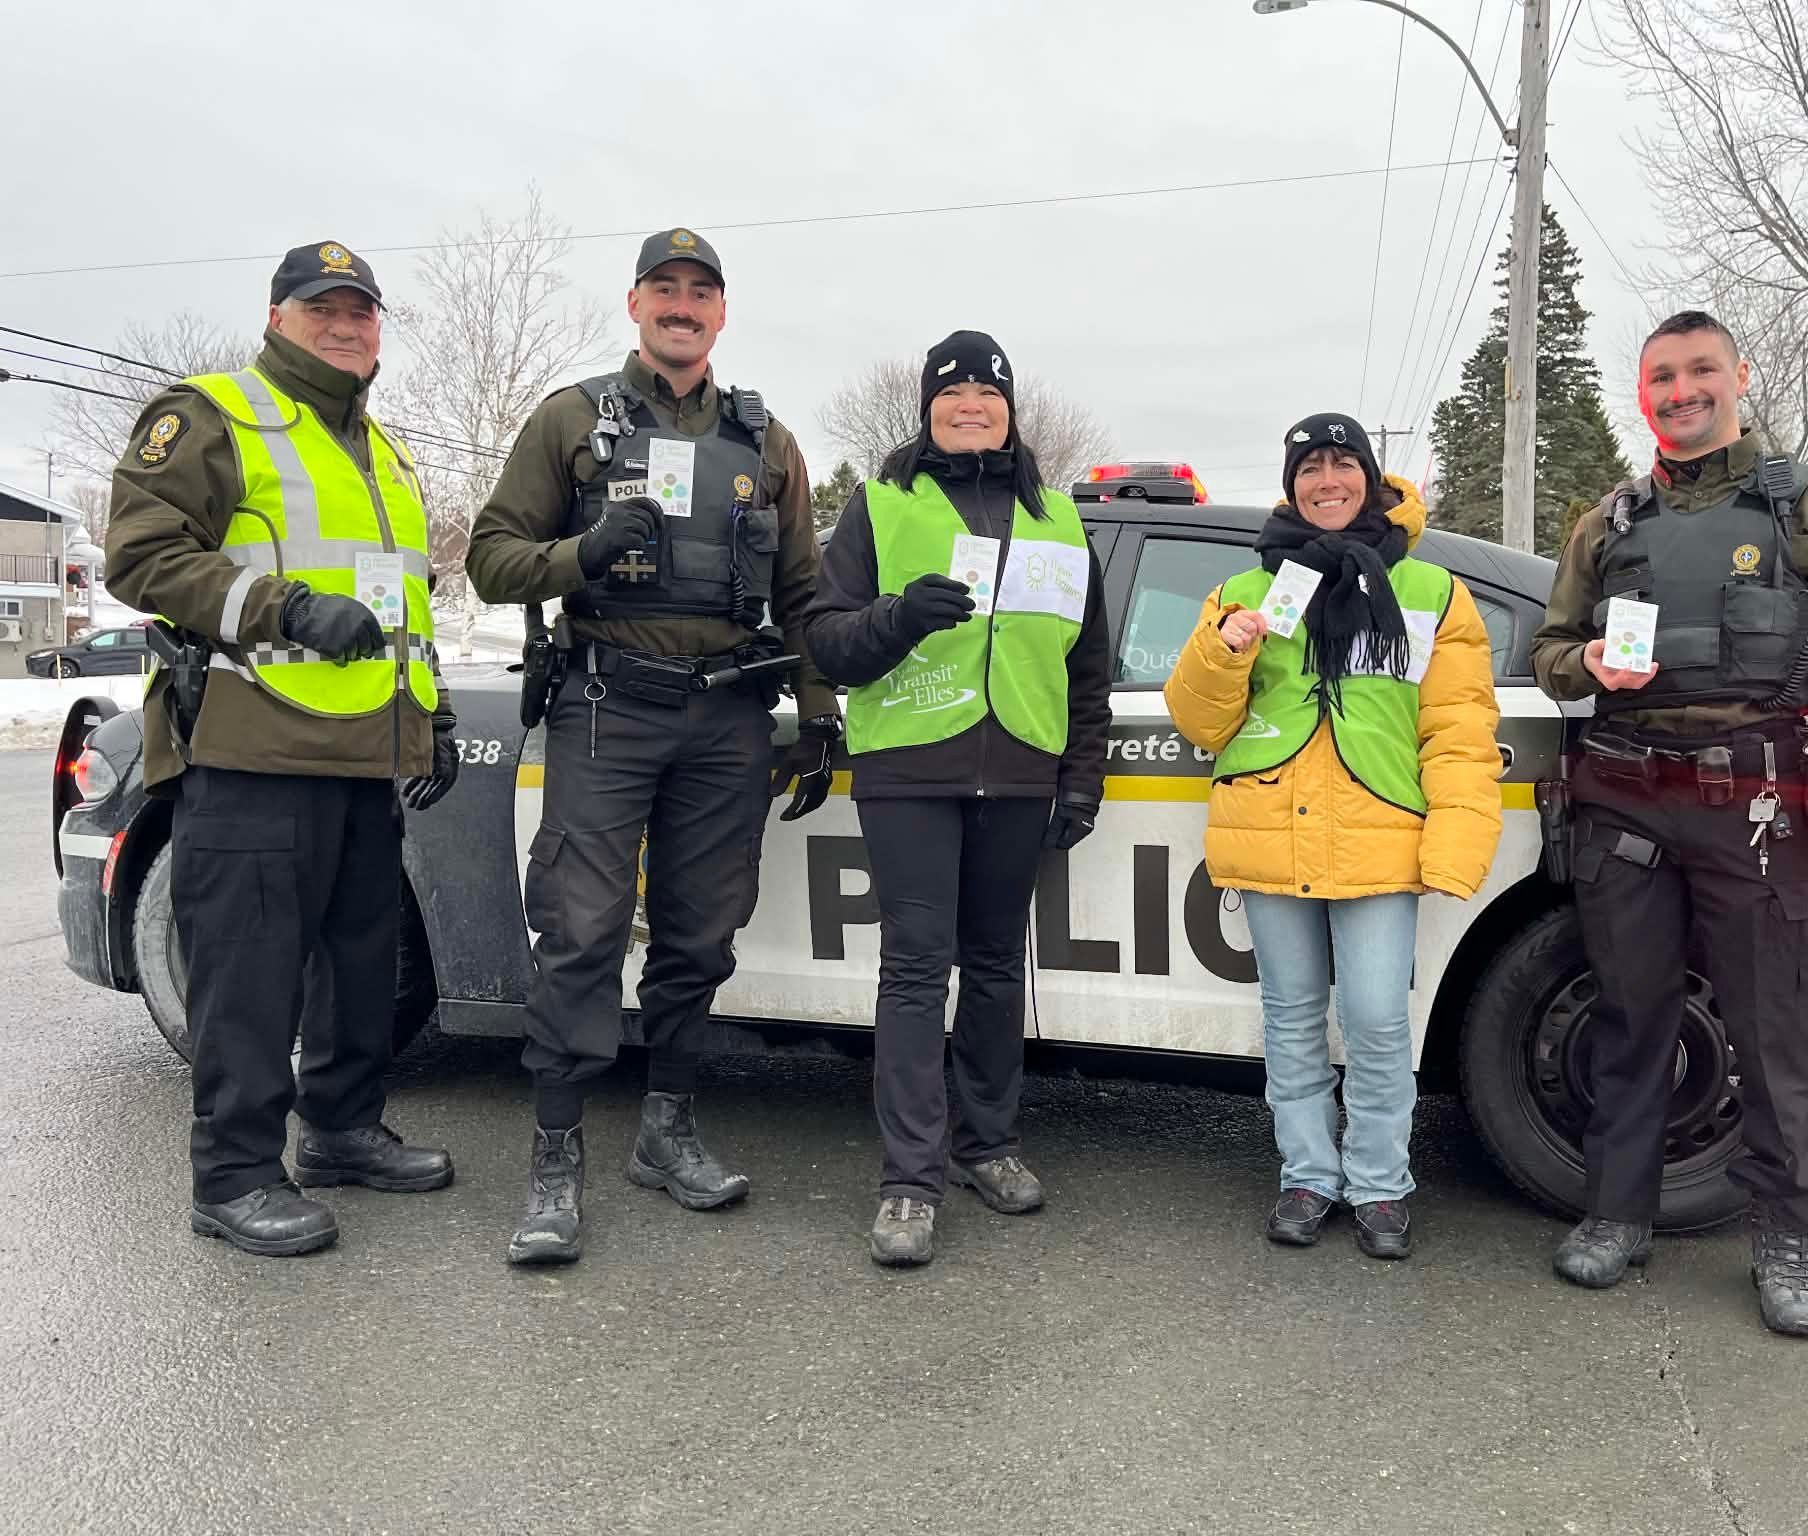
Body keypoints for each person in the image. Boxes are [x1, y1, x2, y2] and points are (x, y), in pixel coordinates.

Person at [1532, 310, 1808, 1337]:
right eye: (1660, 376)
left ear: (1736, 377)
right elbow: (1549, 650)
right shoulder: (1605, 522)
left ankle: (1785, 1239)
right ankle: (1615, 1214)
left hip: (1759, 808)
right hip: (1624, 803)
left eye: (1700, 370)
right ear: (1641, 391)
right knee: (1626, 1018)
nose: (1680, 391)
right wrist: (1585, 668)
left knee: (1775, 1031)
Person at [467, 227, 840, 1266]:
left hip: (727, 715)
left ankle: (666, 1128)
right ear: (635, 303)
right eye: (664, 289)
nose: (682, 306)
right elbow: (490, 559)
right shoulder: (573, 419)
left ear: (722, 313)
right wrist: (578, 553)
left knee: (701, 929)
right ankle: (554, 1159)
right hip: (607, 706)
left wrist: (816, 710)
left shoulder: (767, 442)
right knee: (581, 930)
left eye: (701, 292)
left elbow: (804, 592)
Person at [104, 240, 458, 1258]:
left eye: (362, 311)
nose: (346, 326)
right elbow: (141, 553)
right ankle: (234, 1176)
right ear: (278, 316)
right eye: (323, 309)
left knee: (358, 966)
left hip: (359, 751)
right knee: (250, 976)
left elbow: (401, 600)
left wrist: (423, 716)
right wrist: (279, 605)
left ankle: (341, 1132)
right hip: (253, 744)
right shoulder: (217, 414)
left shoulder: (376, 449)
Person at [1164, 413, 1501, 1260]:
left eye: (1341, 465)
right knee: (1291, 1019)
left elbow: (1458, 731)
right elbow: (1201, 722)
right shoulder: (1242, 592)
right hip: (1269, 827)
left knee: (1381, 1020)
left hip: (1381, 832)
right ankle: (1308, 1177)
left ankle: (1382, 1186)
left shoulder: (1432, 593)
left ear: (1369, 477)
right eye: (1309, 468)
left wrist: (1455, 848)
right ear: (1291, 485)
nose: (1327, 481)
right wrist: (1223, 648)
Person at [808, 331, 1112, 1268]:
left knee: (992, 969)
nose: (971, 403)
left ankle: (988, 1144)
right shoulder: (883, 504)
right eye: (953, 392)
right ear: (929, 409)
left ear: (1011, 409)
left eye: (988, 390)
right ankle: (909, 1179)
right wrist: (898, 618)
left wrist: (1080, 777)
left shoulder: (1060, 516)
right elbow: (827, 641)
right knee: (914, 970)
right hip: (910, 770)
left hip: (1020, 770)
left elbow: (1087, 668)